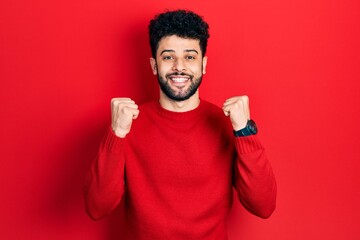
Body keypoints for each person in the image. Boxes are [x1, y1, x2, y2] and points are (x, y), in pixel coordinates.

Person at [84, 9, 277, 239]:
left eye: (189, 56)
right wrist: (116, 134)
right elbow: (96, 207)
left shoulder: (227, 124)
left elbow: (263, 206)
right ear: (154, 65)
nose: (179, 66)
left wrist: (244, 131)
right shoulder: (128, 124)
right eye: (168, 56)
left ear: (203, 64)